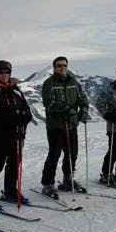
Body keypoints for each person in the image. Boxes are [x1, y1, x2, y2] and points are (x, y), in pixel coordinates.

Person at [0, 60, 33, 208]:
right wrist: (5, 120)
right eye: (1, 73)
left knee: (14, 161)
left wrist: (25, 119)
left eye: (7, 73)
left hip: (17, 133)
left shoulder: (15, 89)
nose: (4, 75)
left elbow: (25, 108)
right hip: (0, 134)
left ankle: (10, 190)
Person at [40, 56, 90, 198]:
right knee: (54, 154)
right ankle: (47, 183)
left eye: (64, 65)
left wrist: (84, 108)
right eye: (59, 66)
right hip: (56, 125)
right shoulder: (49, 83)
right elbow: (49, 103)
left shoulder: (73, 82)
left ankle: (68, 179)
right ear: (54, 68)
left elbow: (82, 97)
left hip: (71, 124)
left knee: (72, 153)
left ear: (67, 66)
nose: (62, 68)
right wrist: (67, 109)